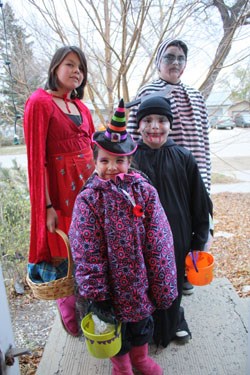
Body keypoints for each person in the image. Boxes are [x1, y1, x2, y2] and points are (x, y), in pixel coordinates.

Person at [69, 99, 178, 375]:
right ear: (95, 162)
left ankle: (140, 360)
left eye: (120, 161)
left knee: (140, 325)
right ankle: (122, 366)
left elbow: (159, 238)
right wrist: (97, 293)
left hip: (139, 281)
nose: (112, 167)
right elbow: (86, 250)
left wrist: (162, 279)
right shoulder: (89, 201)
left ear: (129, 161)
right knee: (115, 330)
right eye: (104, 160)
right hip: (109, 287)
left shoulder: (144, 192)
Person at [127, 38, 212, 295]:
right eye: (169, 57)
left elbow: (204, 140)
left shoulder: (196, 96)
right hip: (156, 169)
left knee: (189, 222)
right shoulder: (147, 91)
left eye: (180, 58)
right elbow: (133, 133)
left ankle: (185, 272)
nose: (175, 62)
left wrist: (205, 178)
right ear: (158, 62)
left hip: (188, 171)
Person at [23, 46, 95, 337]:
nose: (76, 71)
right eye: (70, 64)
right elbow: (36, 159)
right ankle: (69, 313)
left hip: (88, 193)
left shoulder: (81, 107)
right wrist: (47, 207)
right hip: (60, 195)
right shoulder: (39, 103)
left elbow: (92, 147)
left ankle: (92, 307)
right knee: (66, 252)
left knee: (90, 250)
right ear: (55, 68)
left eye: (80, 67)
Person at [132, 95, 211, 348]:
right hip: (140, 238)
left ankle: (175, 322)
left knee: (172, 282)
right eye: (148, 120)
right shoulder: (129, 159)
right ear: (139, 126)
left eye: (162, 120)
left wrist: (199, 241)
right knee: (144, 283)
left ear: (170, 125)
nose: (155, 126)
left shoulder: (184, 157)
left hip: (176, 237)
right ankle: (147, 328)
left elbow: (199, 203)